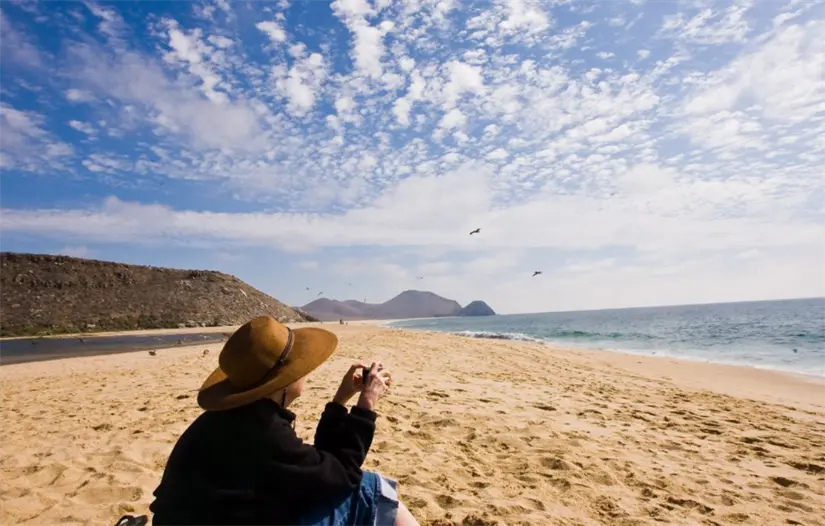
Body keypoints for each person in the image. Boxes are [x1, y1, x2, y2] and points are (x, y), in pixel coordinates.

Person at [149, 315, 420, 526]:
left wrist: (341, 399)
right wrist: (367, 403)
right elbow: (342, 476)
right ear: (281, 382)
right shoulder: (262, 432)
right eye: (299, 365)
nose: (306, 370)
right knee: (370, 489)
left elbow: (321, 465)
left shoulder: (234, 417)